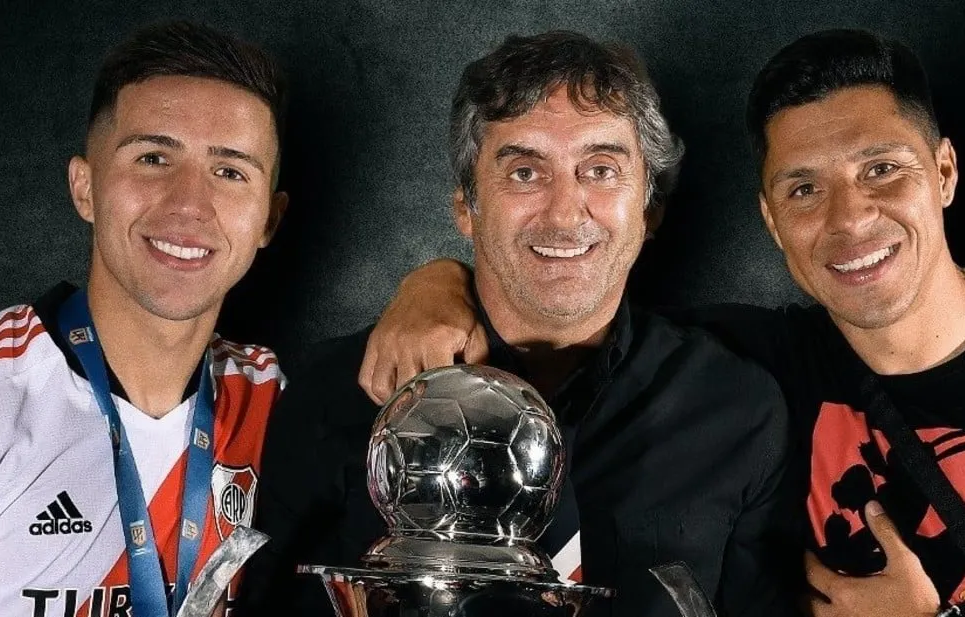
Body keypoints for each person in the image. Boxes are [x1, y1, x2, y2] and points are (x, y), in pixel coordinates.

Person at [358, 29, 965, 616]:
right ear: (771, 219)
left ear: (944, 172)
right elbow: (572, 295)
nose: (849, 219)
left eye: (882, 169)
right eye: (804, 189)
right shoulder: (745, 364)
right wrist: (435, 285)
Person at [240, 31, 792, 617]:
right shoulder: (341, 391)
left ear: (649, 208)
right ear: (466, 207)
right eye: (525, 172)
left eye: (601, 169)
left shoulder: (737, 408)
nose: (565, 213)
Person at [0, 21, 289, 617]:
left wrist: (434, 283)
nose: (189, 204)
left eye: (230, 171)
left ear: (268, 219)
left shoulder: (272, 397)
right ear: (85, 187)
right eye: (153, 158)